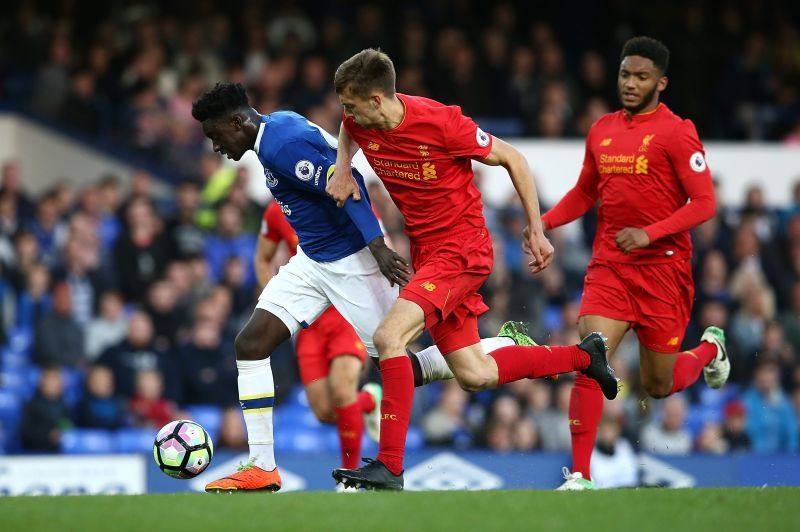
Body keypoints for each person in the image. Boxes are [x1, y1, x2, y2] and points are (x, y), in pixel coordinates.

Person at [190, 83, 543, 493]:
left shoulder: (281, 146)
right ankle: (262, 467)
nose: (216, 146)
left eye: (216, 135)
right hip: (312, 260)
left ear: (236, 122)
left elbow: (347, 182)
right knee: (250, 344)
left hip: (352, 263)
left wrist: (376, 247)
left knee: (401, 366)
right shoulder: (279, 122)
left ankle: (499, 347)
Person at [327, 48, 618, 490]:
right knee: (475, 374)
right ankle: (585, 356)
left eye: (351, 105)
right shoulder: (358, 122)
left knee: (389, 337)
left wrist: (538, 231)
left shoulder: (442, 123)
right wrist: (342, 167)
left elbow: (514, 159)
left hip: (462, 250)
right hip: (428, 254)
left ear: (377, 99)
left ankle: (390, 466)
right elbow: (346, 132)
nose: (345, 114)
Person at [536, 36, 728, 489]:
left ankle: (709, 350)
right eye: (625, 74)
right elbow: (585, 192)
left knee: (658, 385)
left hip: (664, 269)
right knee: (590, 353)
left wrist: (650, 232)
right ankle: (580, 475)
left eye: (641, 76)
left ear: (661, 82)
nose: (630, 83)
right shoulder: (601, 128)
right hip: (611, 266)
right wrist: (541, 222)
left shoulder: (678, 132)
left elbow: (704, 203)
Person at [256, 200, 383, 478]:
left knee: (341, 390)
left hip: (348, 315)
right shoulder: (278, 210)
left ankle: (350, 476)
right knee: (325, 412)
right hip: (309, 322)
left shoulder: (347, 197)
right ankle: (369, 402)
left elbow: (381, 244)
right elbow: (262, 258)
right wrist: (275, 301)